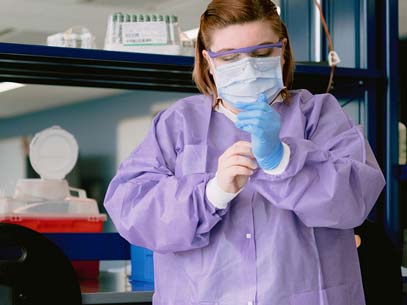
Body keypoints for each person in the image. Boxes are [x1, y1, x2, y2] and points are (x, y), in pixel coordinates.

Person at [104, 1, 386, 304]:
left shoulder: (319, 115)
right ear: (208, 61)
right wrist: (212, 193)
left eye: (262, 53)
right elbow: (132, 210)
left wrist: (283, 160)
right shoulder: (178, 125)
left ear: (282, 51)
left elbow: (356, 197)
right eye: (230, 57)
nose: (249, 67)